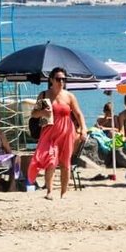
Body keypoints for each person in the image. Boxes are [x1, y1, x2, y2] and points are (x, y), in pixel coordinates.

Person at [28, 68, 84, 198]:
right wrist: (42, 113)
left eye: (63, 79)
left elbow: (78, 114)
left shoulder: (69, 96)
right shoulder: (44, 95)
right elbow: (34, 114)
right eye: (58, 79)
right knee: (51, 161)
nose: (61, 81)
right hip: (49, 132)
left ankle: (64, 193)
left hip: (66, 132)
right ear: (51, 80)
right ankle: (49, 192)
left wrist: (83, 129)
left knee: (65, 163)